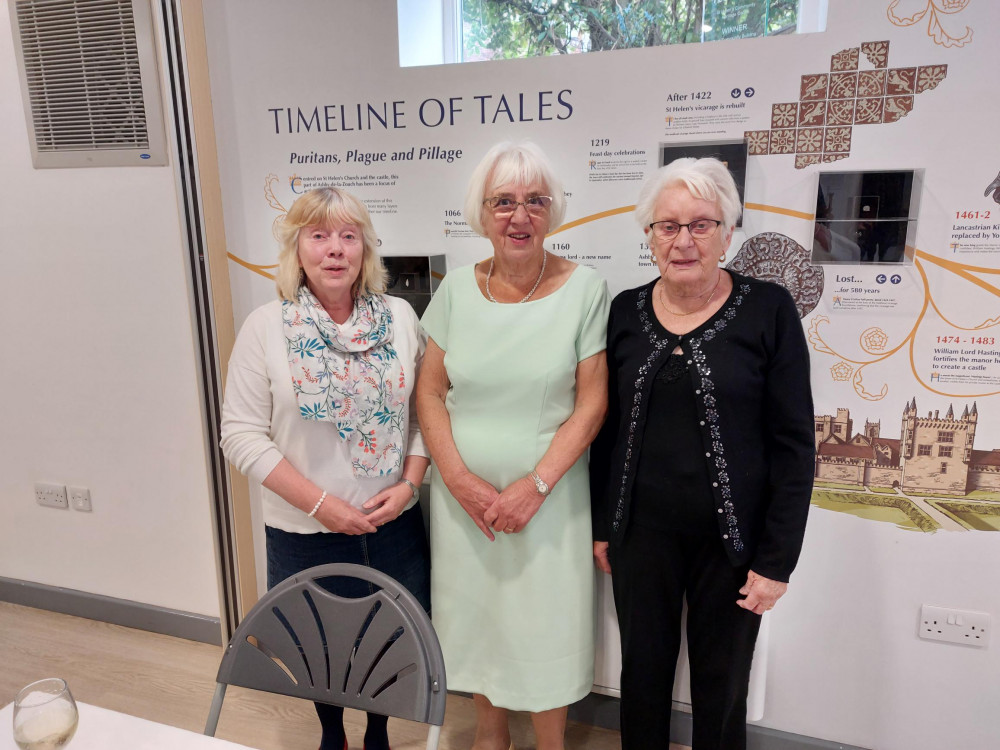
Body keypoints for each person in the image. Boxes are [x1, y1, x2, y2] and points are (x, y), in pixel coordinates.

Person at [590, 158, 815, 750]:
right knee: (640, 677)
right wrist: (603, 525)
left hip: (735, 545)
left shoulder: (768, 309)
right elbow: (605, 431)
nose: (683, 241)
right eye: (667, 226)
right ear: (648, 236)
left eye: (701, 224)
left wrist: (777, 561)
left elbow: (795, 446)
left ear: (728, 232)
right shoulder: (624, 311)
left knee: (722, 687)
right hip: (641, 538)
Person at [220, 187, 430, 750]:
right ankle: (332, 733)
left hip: (393, 526)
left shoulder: (401, 318)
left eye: (347, 236)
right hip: (304, 530)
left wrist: (410, 485)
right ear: (297, 250)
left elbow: (421, 418)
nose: (334, 249)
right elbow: (239, 434)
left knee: (389, 642)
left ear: (366, 249)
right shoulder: (265, 327)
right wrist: (320, 504)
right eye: (318, 236)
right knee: (320, 649)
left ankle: (379, 732)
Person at [416, 141, 610, 750]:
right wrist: (456, 478)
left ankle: (551, 745)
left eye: (534, 201)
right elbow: (428, 393)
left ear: (552, 213)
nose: (518, 217)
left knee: (541, 626)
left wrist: (537, 484)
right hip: (463, 504)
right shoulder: (454, 291)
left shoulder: (586, 290)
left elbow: (592, 403)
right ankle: (489, 736)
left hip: (548, 502)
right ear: (483, 211)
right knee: (477, 620)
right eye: (503, 202)